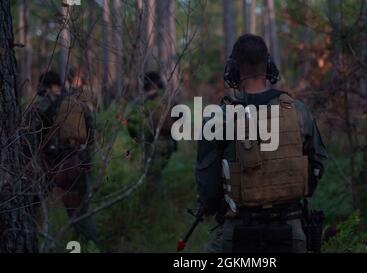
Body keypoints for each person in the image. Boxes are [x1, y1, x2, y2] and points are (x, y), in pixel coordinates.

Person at [195, 34, 328, 253]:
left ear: (234, 69)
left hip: (237, 232)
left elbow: (208, 188)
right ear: (268, 65)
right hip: (291, 230)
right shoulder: (298, 111)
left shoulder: (218, 118)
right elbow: (318, 163)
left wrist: (220, 207)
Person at [27, 70, 100, 248]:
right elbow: (92, 134)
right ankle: (88, 246)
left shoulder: (40, 106)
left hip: (49, 167)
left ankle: (33, 244)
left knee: (29, 208)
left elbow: (28, 140)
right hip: (77, 163)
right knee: (80, 214)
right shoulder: (78, 103)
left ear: (47, 86)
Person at [127, 71, 177, 198]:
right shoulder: (169, 99)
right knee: (155, 175)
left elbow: (130, 121)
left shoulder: (141, 101)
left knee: (153, 178)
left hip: (153, 144)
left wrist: (136, 139)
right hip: (169, 143)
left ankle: (158, 208)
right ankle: (156, 204)